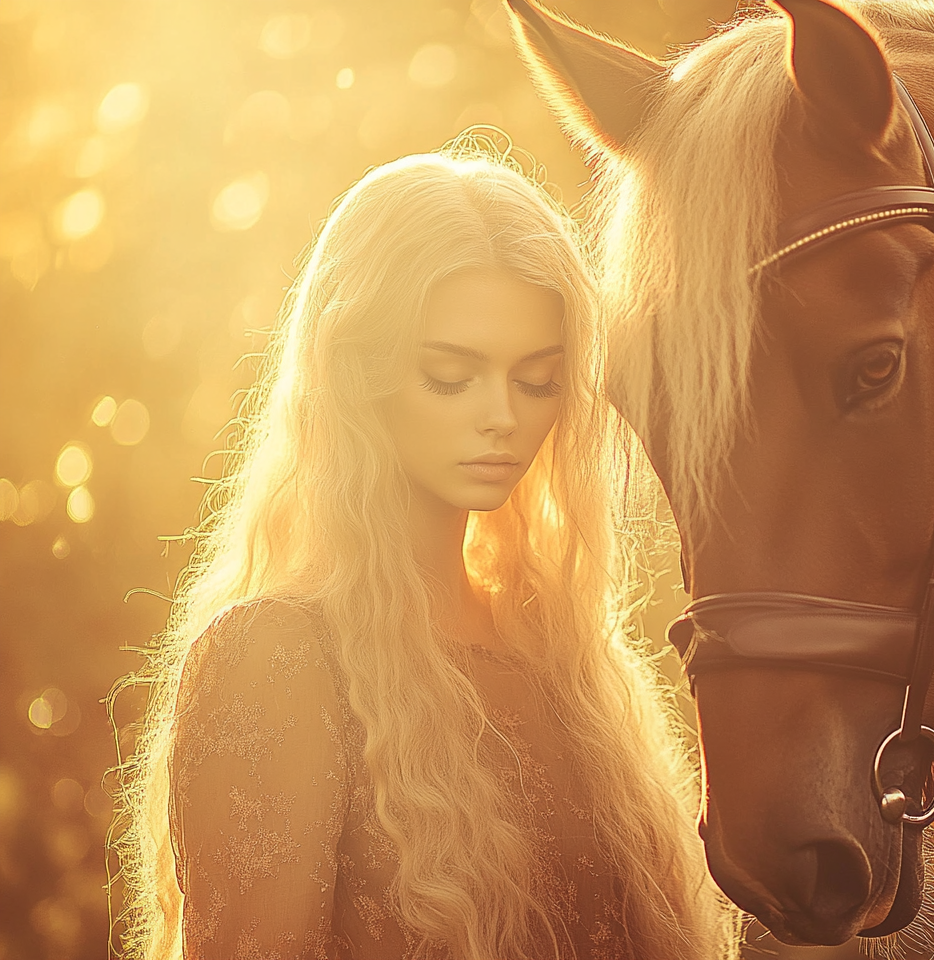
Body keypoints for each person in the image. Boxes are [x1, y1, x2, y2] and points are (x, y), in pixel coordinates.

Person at [112, 139, 739, 960]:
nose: (503, 417)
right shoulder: (276, 660)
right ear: (355, 372)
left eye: (538, 379)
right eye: (452, 376)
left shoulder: (569, 665)